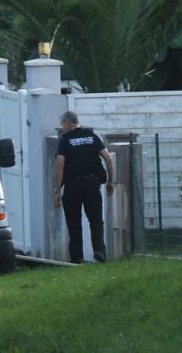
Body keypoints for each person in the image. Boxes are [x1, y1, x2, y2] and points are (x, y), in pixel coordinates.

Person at [54, 111, 114, 264]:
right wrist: (110, 182)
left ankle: (76, 258)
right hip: (92, 184)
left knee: (74, 223)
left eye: (62, 124)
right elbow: (108, 158)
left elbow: (59, 166)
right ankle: (99, 252)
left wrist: (56, 191)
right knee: (95, 221)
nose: (62, 128)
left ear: (68, 123)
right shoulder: (92, 136)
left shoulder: (65, 140)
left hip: (73, 186)